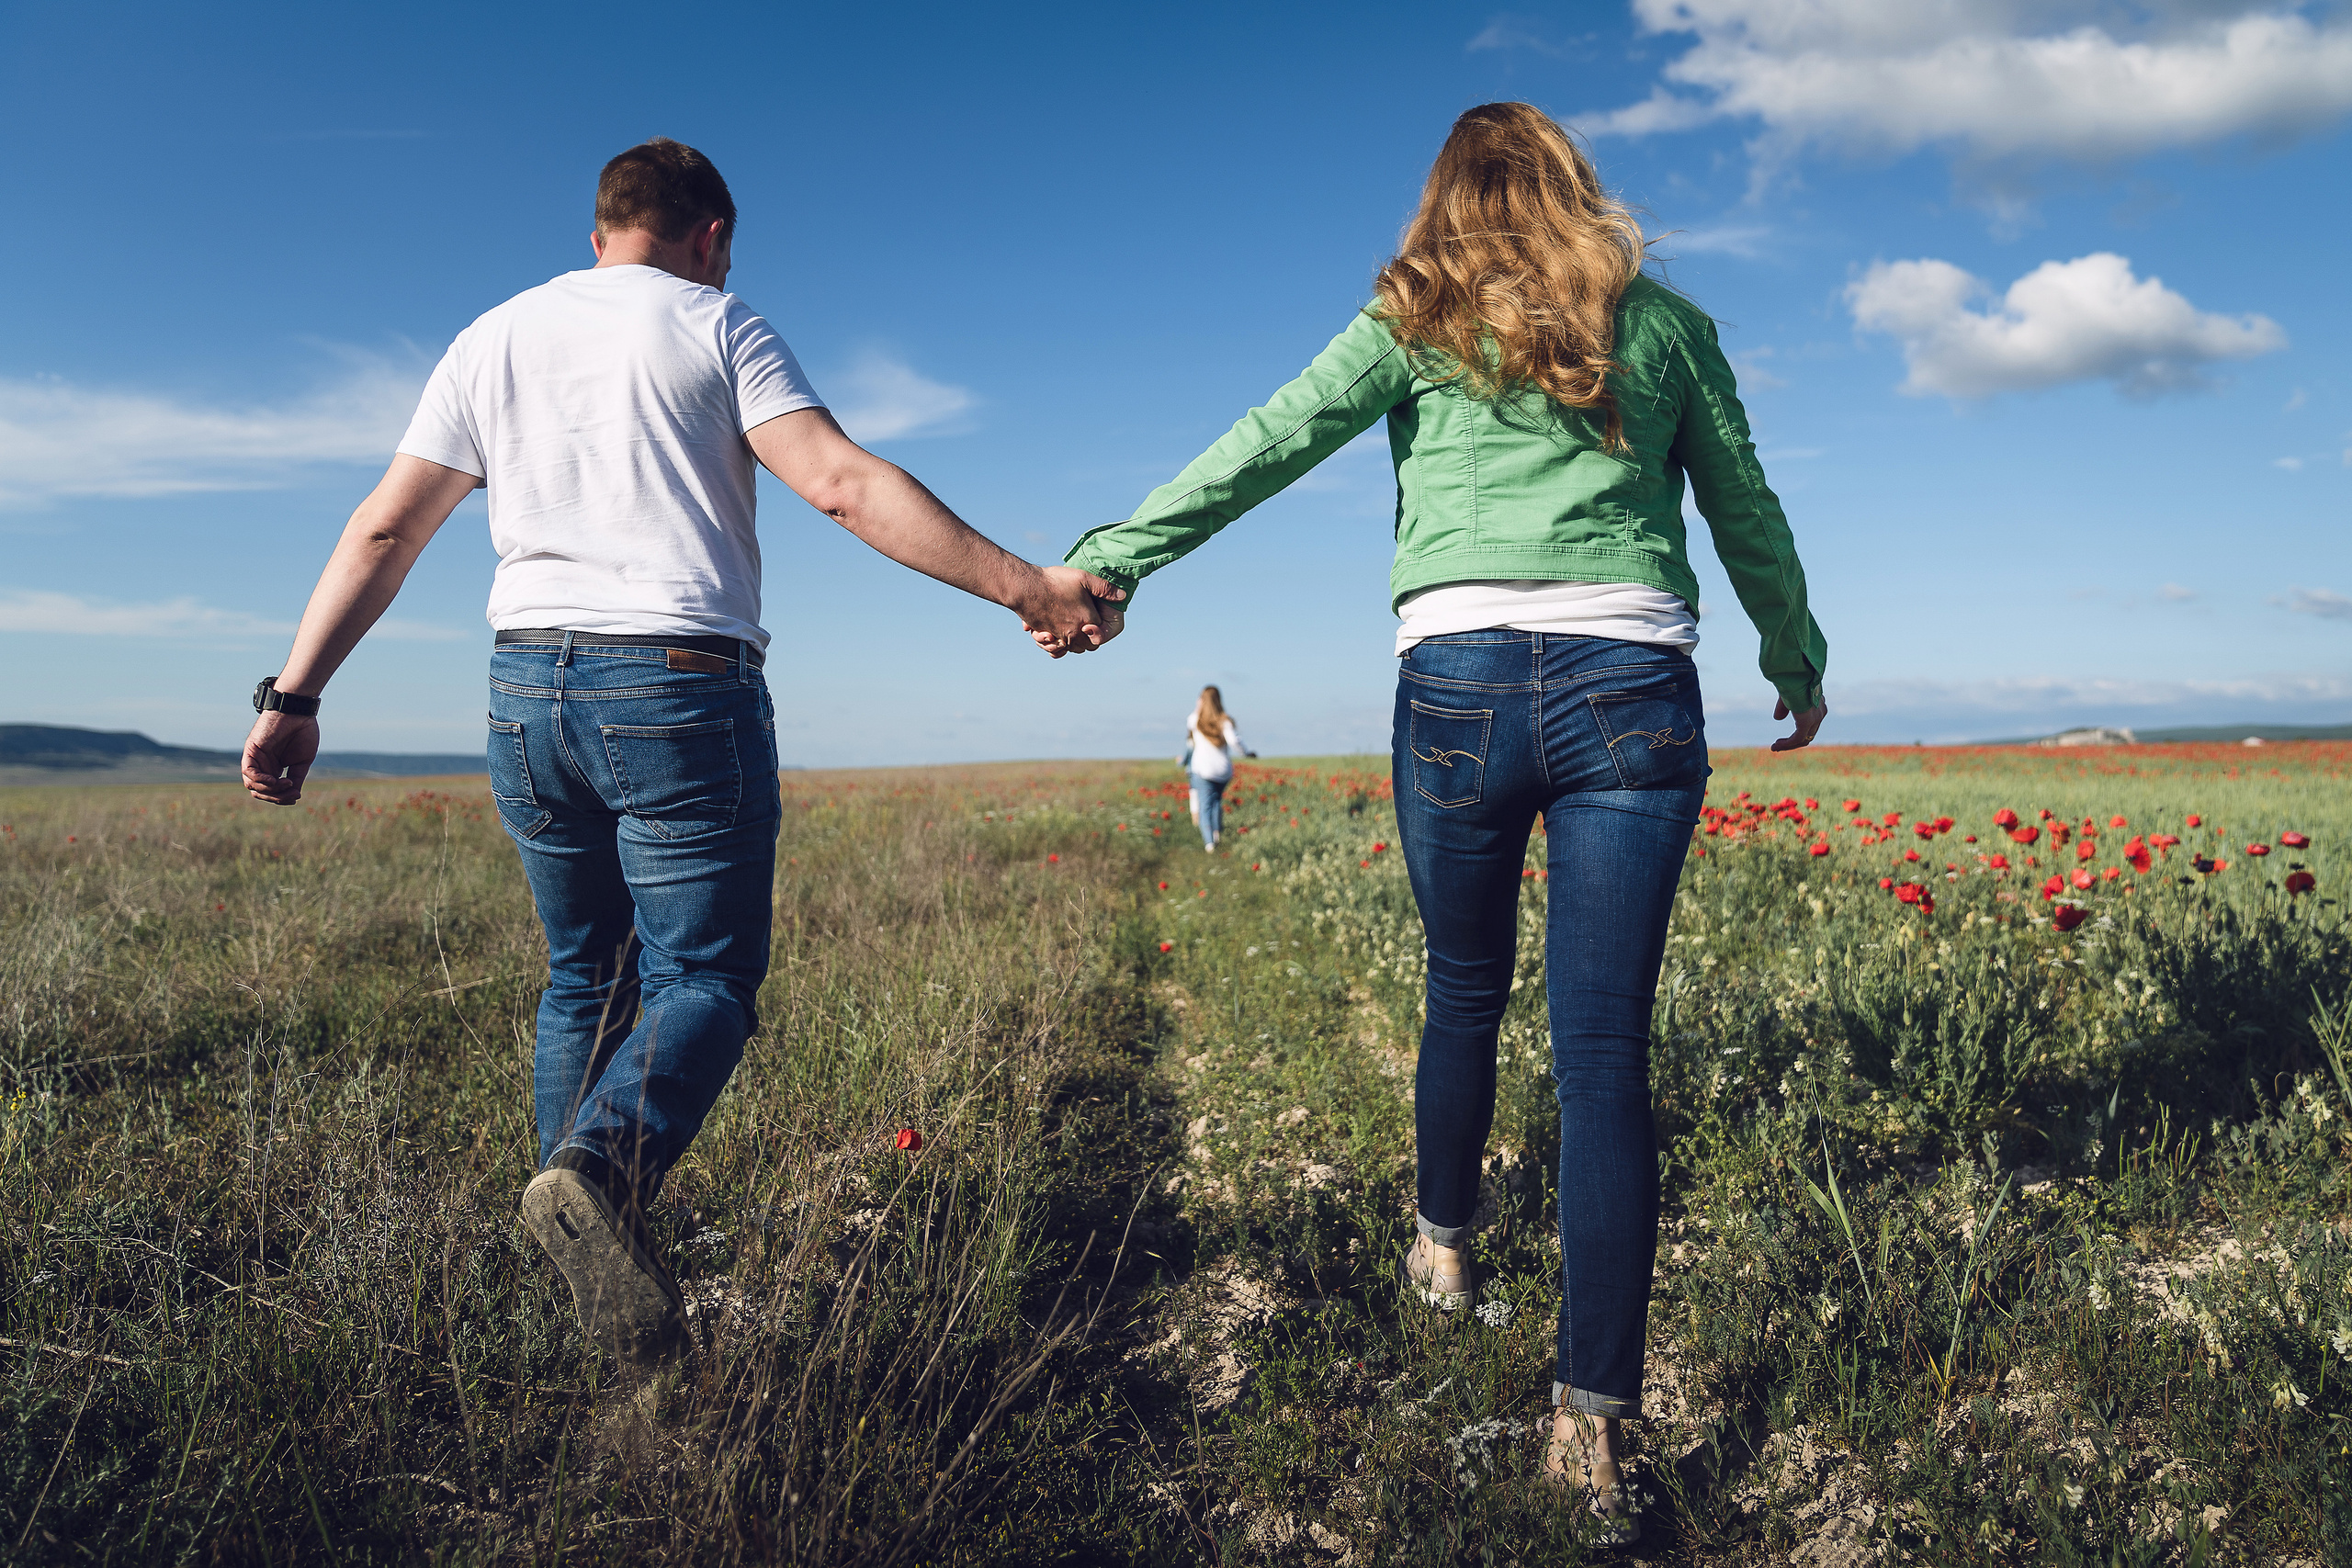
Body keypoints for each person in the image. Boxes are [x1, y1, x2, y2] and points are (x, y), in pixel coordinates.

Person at [1054, 104, 1826, 1540]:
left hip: (1461, 683)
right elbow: (1745, 505)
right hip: (1633, 685)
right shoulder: (1658, 322)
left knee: (1462, 988)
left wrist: (1116, 557)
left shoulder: (1414, 313)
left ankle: (1442, 1250)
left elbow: (1270, 439)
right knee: (1604, 1056)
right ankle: (1592, 1424)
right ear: (1572, 182)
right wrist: (1797, 652)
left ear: (1446, 197)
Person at [240, 137, 1122, 1366]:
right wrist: (1026, 584)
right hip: (674, 686)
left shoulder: (490, 338)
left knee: (581, 979)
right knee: (703, 978)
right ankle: (598, 1175)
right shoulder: (717, 325)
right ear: (711, 235)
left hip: (521, 690)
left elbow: (387, 523)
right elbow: (844, 487)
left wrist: (295, 691)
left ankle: (584, 1298)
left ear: (601, 227)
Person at [1182, 684, 1251, 852]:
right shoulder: (1224, 721)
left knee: (1205, 806)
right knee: (1216, 803)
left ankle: (1209, 843)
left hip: (1203, 771)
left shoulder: (1195, 720)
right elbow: (1235, 742)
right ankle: (1216, 833)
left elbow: (1190, 721)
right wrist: (1247, 753)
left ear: (1202, 700)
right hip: (1222, 770)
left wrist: (1199, 706)